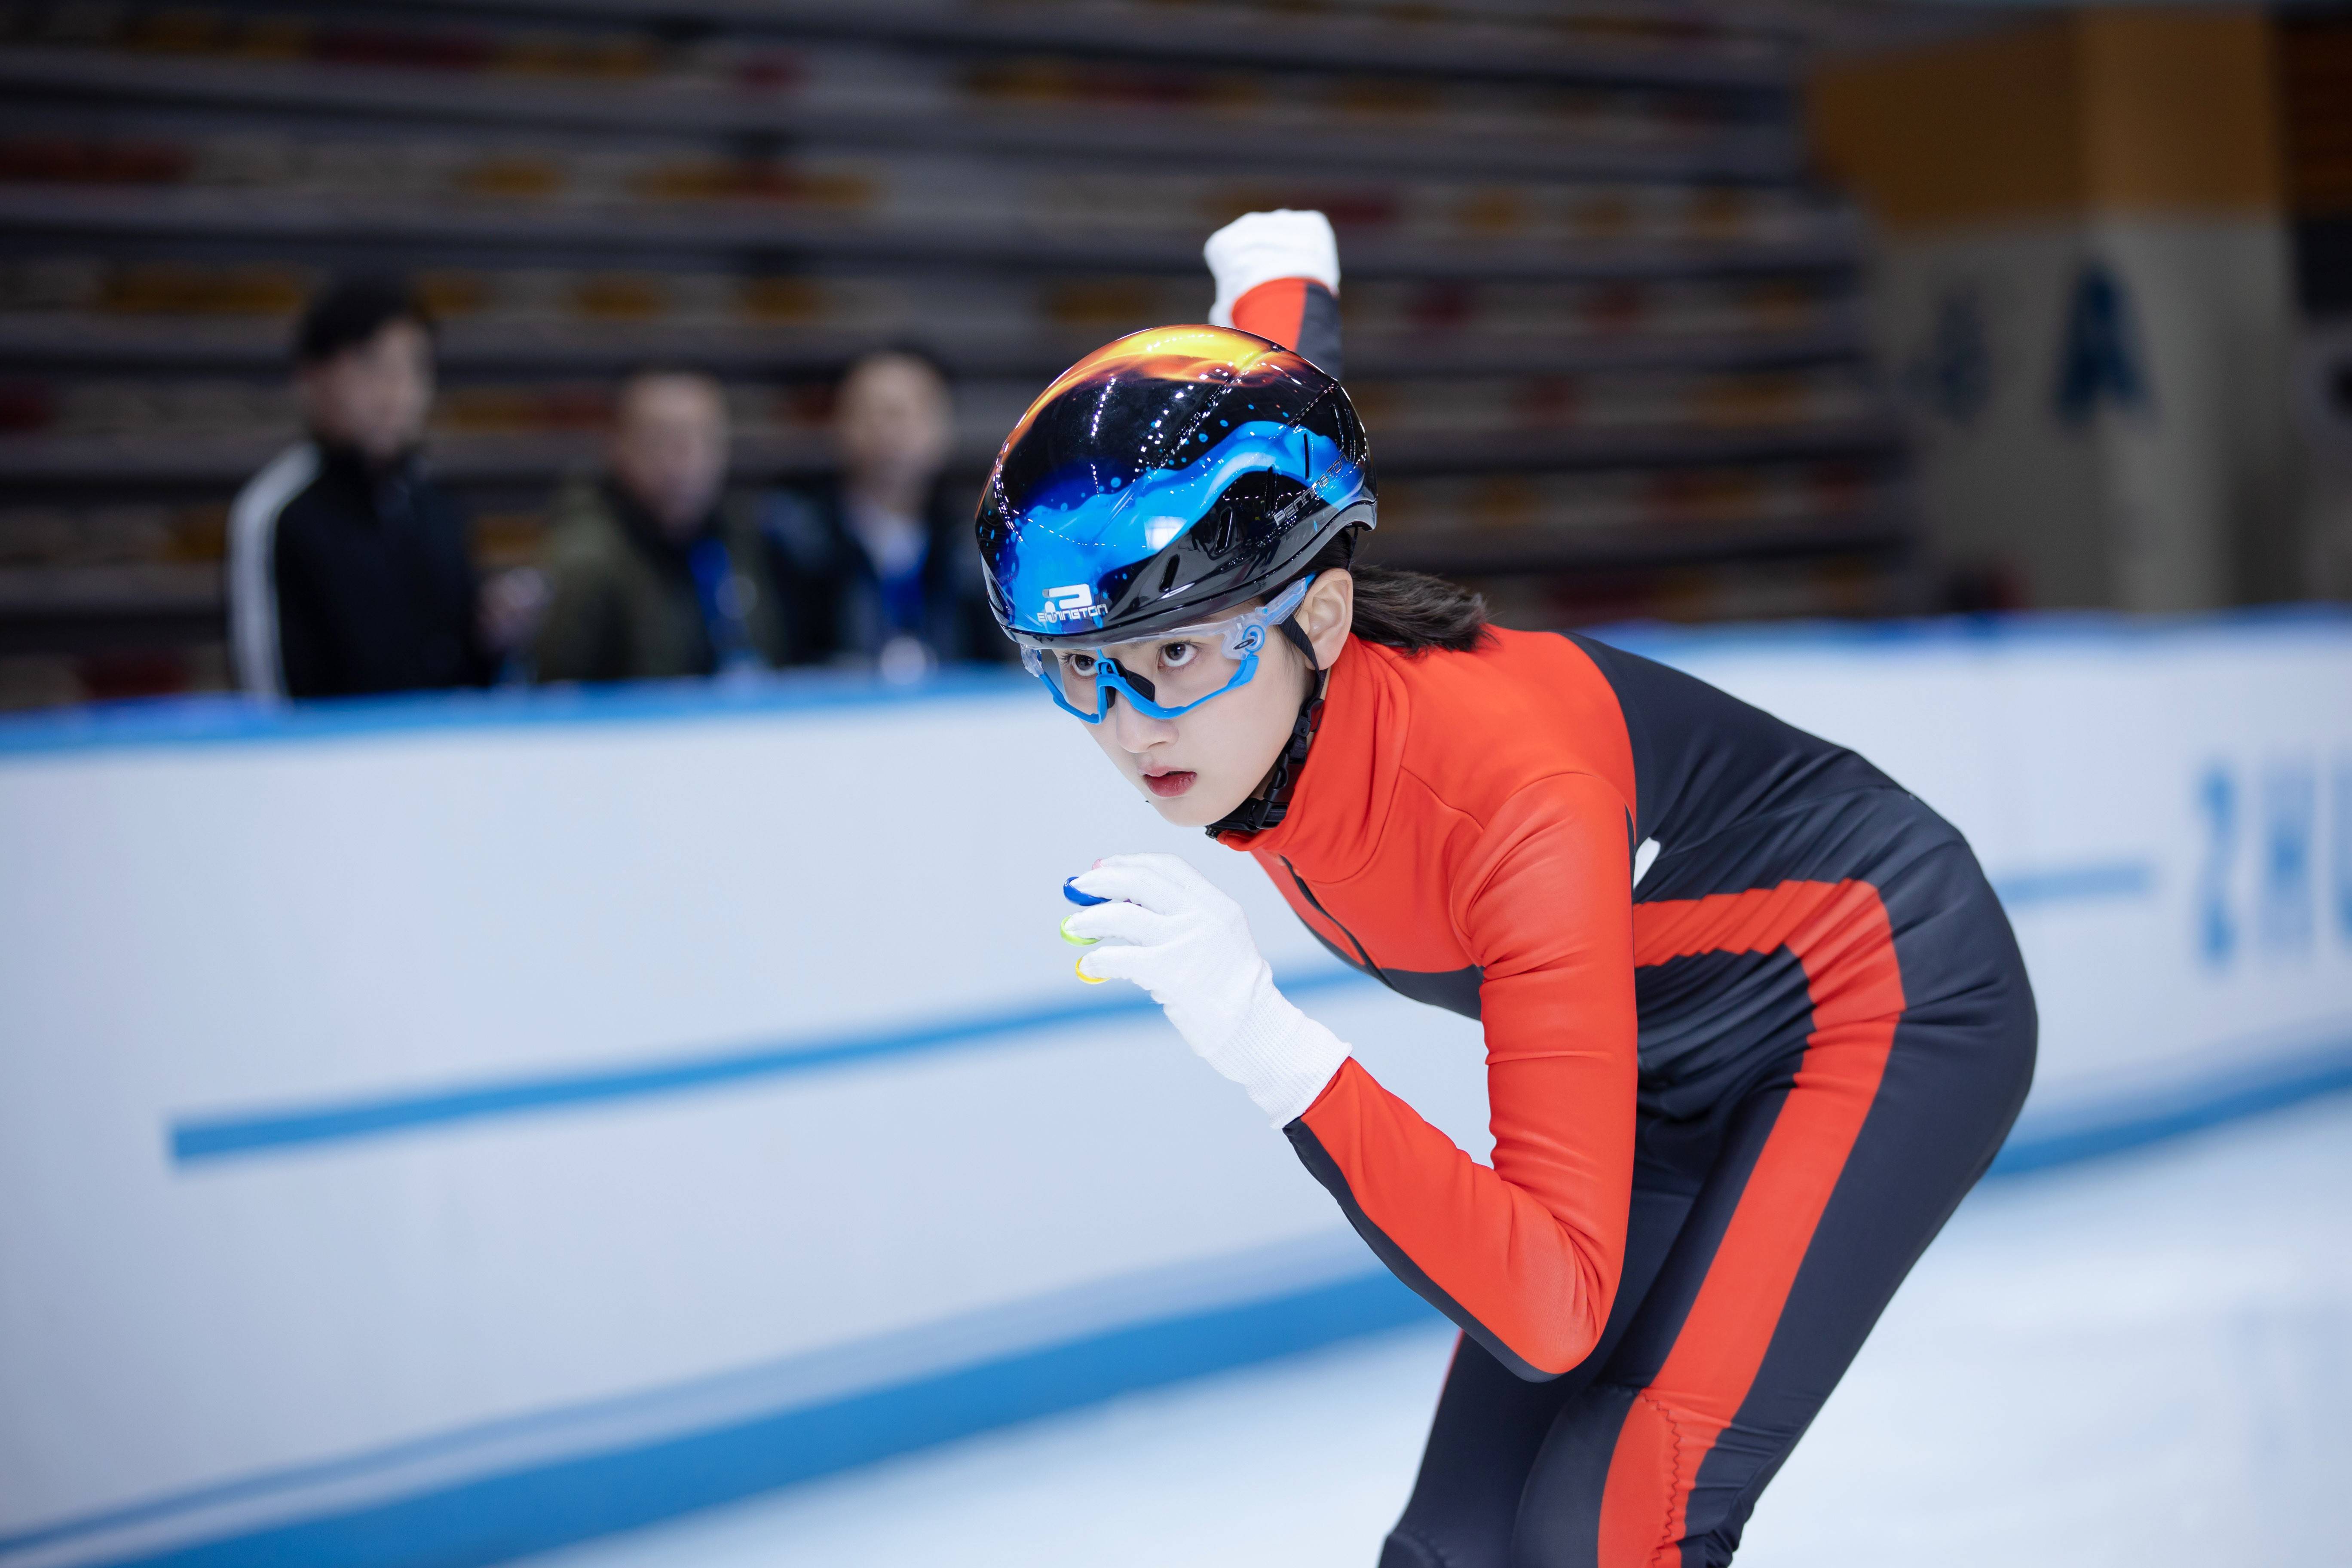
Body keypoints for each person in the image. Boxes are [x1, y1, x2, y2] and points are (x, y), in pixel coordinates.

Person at [979, 215, 2037, 1567]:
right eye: (1080, 669)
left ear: (1320, 619)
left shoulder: (1509, 805)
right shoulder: (1273, 634)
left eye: (1175, 653)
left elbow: (1554, 1310)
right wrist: (1280, 280)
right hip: (1658, 1052)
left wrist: (1275, 1049)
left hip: (1882, 1000)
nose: (1131, 726)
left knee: (1607, 1529)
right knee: (1458, 1553)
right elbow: (1264, 402)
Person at [229, 276, 489, 699]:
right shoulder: (280, 512)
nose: (396, 393)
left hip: (446, 758)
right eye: (372, 366)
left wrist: (494, 636)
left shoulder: (435, 501)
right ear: (313, 377)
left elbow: (467, 667)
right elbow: (270, 692)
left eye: (413, 369)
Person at [532, 368, 790, 683]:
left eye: (702, 439)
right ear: (619, 446)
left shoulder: (742, 537)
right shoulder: (588, 558)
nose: (683, 459)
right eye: (661, 440)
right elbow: (557, 691)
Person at [760, 349, 1005, 678]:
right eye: (869, 413)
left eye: (903, 414)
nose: (887, 431)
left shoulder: (977, 544)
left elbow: (996, 667)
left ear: (943, 429)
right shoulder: (795, 538)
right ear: (839, 425)